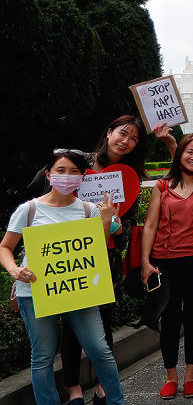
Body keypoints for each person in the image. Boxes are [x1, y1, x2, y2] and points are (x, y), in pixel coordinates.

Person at [1, 150, 125, 405]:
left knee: (100, 350)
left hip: (79, 291)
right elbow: (5, 247)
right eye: (60, 170)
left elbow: (95, 252)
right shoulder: (29, 210)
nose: (67, 176)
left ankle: (116, 401)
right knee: (43, 356)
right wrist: (14, 270)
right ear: (48, 174)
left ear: (82, 178)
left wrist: (105, 221)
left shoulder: (89, 209)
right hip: (34, 291)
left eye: (74, 172)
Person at [44, 115, 146, 404]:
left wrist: (113, 223)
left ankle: (103, 386)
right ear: (109, 131)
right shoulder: (78, 162)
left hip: (107, 256)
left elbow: (129, 223)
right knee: (71, 321)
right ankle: (74, 389)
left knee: (102, 320)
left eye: (134, 138)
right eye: (122, 133)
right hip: (71, 252)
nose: (126, 141)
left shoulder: (131, 174)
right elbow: (51, 201)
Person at [140, 134, 193, 399]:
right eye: (189, 151)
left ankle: (190, 376)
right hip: (165, 262)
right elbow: (150, 225)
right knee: (169, 319)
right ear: (180, 155)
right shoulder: (163, 187)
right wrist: (145, 261)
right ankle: (170, 376)